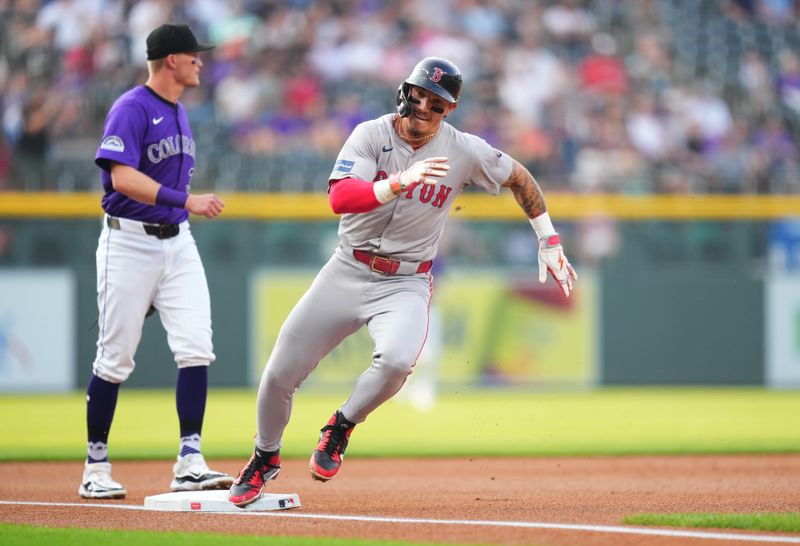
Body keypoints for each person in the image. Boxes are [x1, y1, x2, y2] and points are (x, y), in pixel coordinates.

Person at [228, 57, 577, 507]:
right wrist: (395, 183)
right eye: (419, 94)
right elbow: (339, 198)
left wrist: (547, 237)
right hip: (347, 268)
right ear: (405, 91)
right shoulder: (371, 134)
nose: (424, 105)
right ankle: (265, 456)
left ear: (449, 109)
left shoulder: (463, 150)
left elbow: (519, 177)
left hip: (406, 281)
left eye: (437, 101)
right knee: (279, 373)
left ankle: (341, 426)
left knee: (395, 362)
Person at [79, 23, 232, 499]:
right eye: (194, 55)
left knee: (196, 346)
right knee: (115, 357)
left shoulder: (179, 111)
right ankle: (95, 466)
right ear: (172, 59)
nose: (200, 61)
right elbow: (122, 177)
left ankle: (190, 459)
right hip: (129, 243)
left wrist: (180, 211)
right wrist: (185, 201)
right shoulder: (132, 107)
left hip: (177, 243)